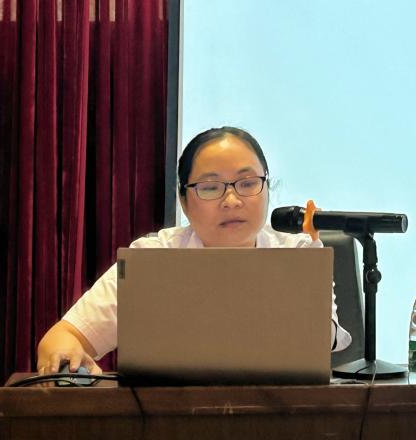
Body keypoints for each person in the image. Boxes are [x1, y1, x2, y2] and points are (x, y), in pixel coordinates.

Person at [36, 126, 352, 374]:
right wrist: (68, 358)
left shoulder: (298, 252)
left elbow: (319, 340)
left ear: (267, 189)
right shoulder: (153, 259)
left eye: (247, 183)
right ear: (184, 201)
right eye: (211, 187)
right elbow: (61, 338)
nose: (232, 201)